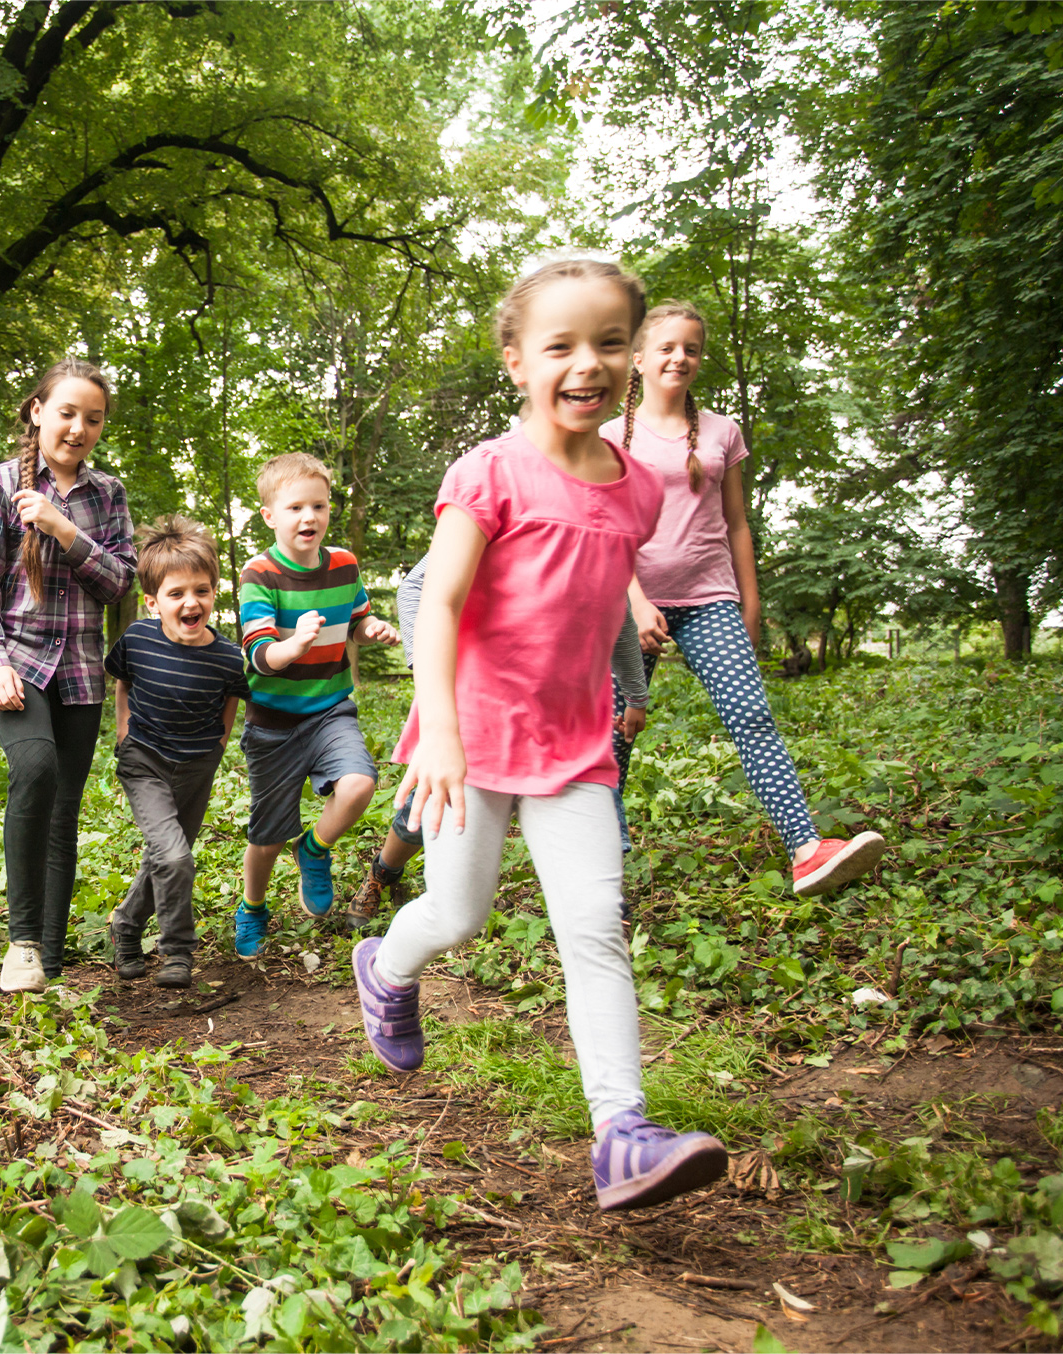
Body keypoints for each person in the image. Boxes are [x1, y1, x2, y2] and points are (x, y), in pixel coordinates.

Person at [352, 256, 729, 1212]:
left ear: (634, 360)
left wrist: (637, 648)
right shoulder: (488, 472)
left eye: (609, 342)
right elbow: (438, 601)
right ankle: (386, 965)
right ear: (517, 361)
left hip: (575, 749)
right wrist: (437, 730)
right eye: (560, 344)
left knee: (595, 928)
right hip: (470, 743)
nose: (587, 363)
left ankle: (622, 1133)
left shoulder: (637, 488)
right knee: (459, 913)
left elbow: (600, 593)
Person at [605, 302, 887, 896]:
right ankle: (604, 864)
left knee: (752, 718)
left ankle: (807, 849)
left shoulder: (722, 431)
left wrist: (749, 607)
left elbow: (736, 523)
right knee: (613, 733)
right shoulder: (609, 436)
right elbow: (606, 529)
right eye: (666, 347)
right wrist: (632, 600)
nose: (679, 357)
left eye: (691, 348)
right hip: (629, 606)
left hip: (711, 598)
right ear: (638, 359)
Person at [346, 554, 651, 930]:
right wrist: (426, 670)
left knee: (589, 797)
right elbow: (414, 588)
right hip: (480, 702)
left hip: (563, 716)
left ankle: (603, 904)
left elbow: (617, 613)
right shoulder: (496, 503)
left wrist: (636, 695)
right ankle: (383, 872)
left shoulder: (600, 526)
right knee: (428, 808)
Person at [0, 360, 137, 994]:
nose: (78, 428)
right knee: (34, 769)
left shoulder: (107, 495)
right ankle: (22, 944)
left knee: (64, 812)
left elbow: (120, 581)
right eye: (66, 412)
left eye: (92, 418)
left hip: (82, 672)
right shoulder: (0, 483)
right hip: (18, 663)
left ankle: (50, 967)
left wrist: (63, 530)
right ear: (37, 412)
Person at [234, 454, 401, 957]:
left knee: (359, 784)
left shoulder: (345, 564)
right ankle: (253, 907)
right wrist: (293, 647)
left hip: (330, 709)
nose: (309, 517)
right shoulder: (258, 573)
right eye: (295, 508)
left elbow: (357, 619)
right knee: (266, 837)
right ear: (270, 515)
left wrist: (373, 629)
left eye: (319, 506)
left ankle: (315, 848)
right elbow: (260, 654)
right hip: (273, 722)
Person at [105, 517, 248, 990]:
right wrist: (124, 731)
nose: (192, 602)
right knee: (175, 856)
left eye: (202, 591)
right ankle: (177, 950)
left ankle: (125, 925)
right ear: (153, 602)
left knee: (169, 856)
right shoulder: (138, 641)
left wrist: (221, 742)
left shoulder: (228, 657)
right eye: (177, 593)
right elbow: (122, 680)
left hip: (197, 765)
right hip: (145, 760)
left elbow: (231, 697)